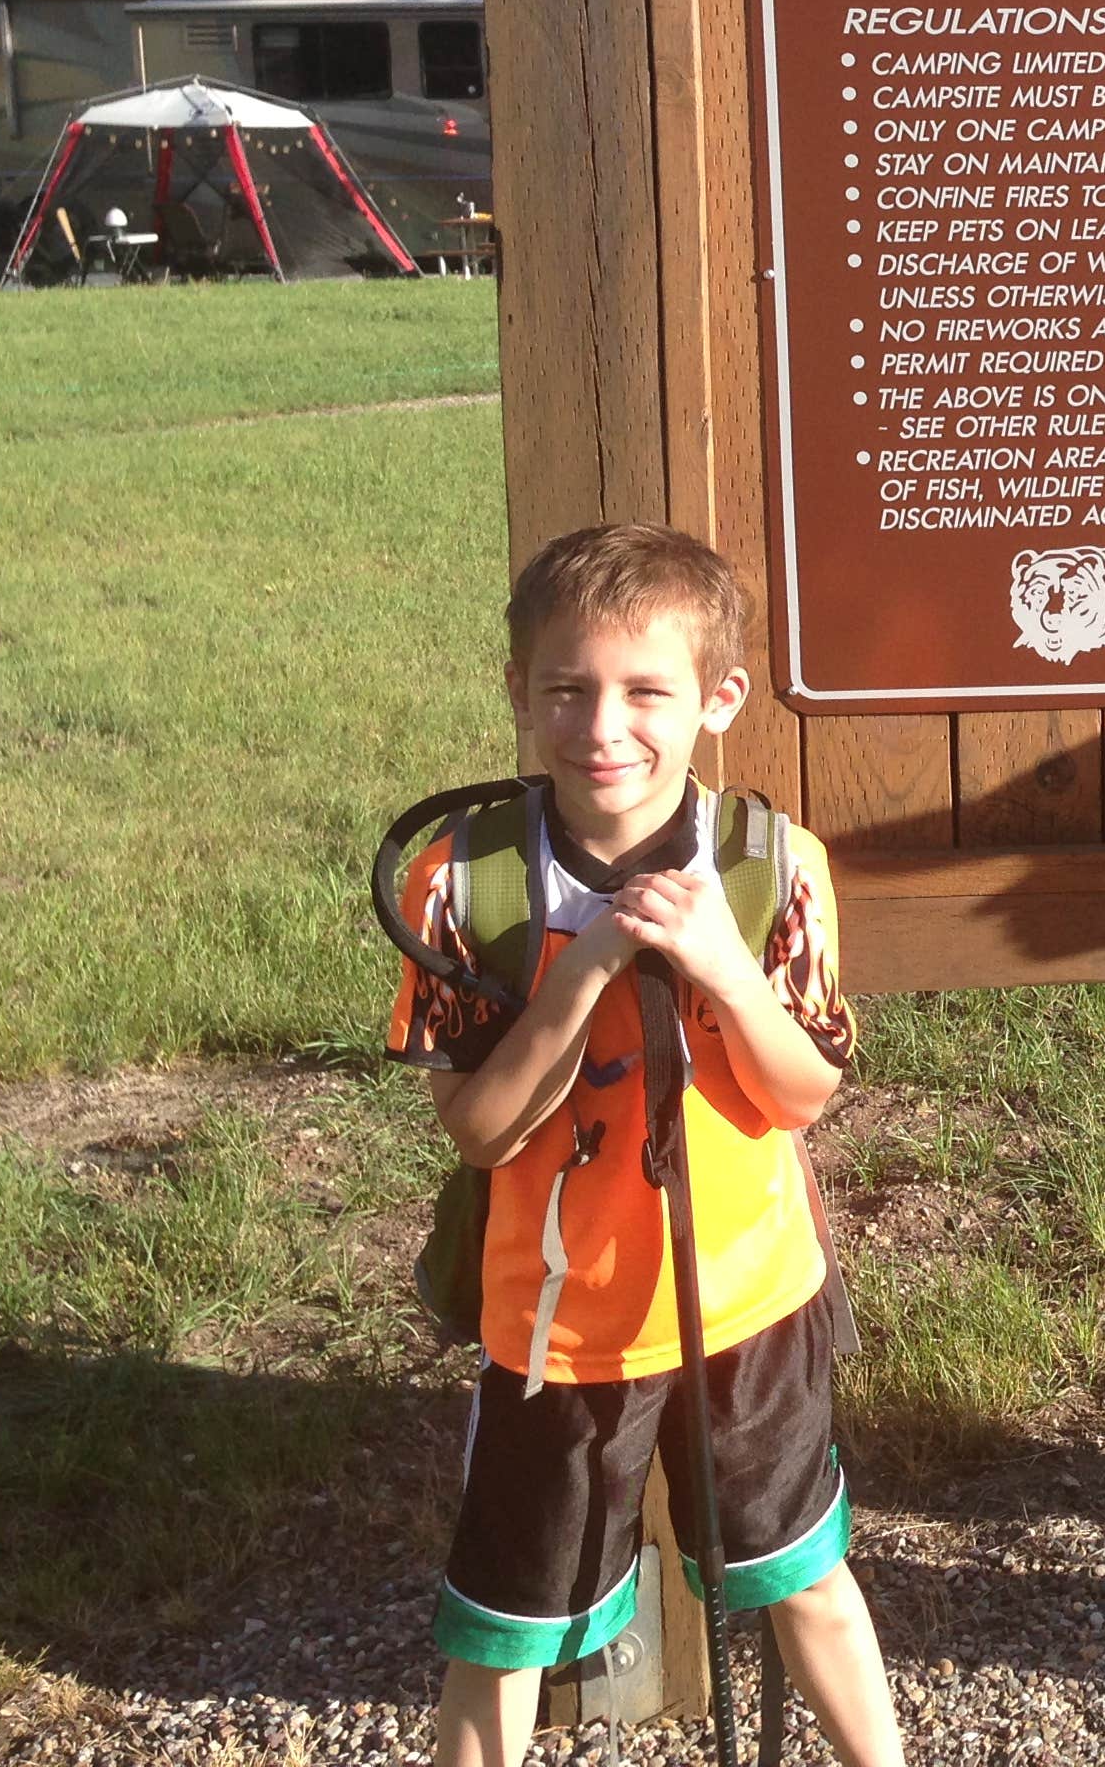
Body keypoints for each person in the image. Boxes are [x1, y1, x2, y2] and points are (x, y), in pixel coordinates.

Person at [385, 522, 904, 1766]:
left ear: (717, 699)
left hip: (747, 1302)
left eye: (645, 692)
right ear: (520, 691)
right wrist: (591, 967)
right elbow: (478, 1128)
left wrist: (721, 961)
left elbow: (800, 1096)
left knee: (806, 1577)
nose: (601, 727)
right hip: (554, 1329)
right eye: (566, 690)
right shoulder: (463, 879)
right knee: (503, 1629)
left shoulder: (775, 867)